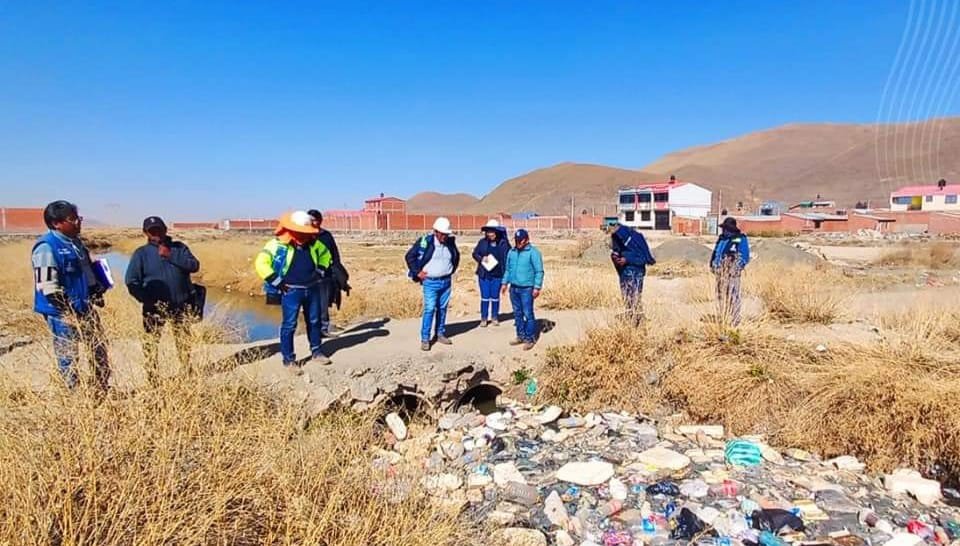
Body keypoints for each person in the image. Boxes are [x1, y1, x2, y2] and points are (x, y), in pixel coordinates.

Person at [31, 200, 110, 390]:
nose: (78, 222)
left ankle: (100, 387)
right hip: (62, 313)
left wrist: (97, 287)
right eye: (73, 219)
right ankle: (73, 395)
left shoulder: (76, 244)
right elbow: (48, 287)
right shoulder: (46, 247)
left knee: (99, 348)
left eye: (78, 218)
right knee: (68, 355)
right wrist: (69, 313)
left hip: (85, 307)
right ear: (57, 223)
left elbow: (86, 272)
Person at [125, 216, 201, 384]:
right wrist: (147, 299)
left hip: (181, 304)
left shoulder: (179, 248)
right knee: (151, 342)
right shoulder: (141, 254)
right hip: (154, 308)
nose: (156, 234)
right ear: (145, 233)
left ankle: (186, 370)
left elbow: (194, 266)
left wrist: (171, 255)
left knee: (183, 341)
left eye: (159, 229)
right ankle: (152, 376)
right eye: (152, 231)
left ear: (165, 229)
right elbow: (131, 281)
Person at [255, 210, 333, 372]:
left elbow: (326, 255)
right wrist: (277, 281)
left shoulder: (314, 244)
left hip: (312, 288)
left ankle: (316, 351)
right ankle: (289, 360)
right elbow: (261, 263)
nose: (304, 235)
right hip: (291, 291)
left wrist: (320, 270)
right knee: (289, 325)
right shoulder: (277, 245)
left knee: (314, 321)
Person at [405, 217, 460, 351]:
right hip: (430, 282)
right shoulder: (426, 242)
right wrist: (417, 272)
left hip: (446, 281)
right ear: (435, 232)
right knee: (429, 309)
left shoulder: (450, 243)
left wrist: (451, 270)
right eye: (442, 234)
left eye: (446, 234)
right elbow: (409, 256)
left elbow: (456, 257)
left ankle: (440, 333)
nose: (444, 236)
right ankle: (425, 338)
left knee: (443, 308)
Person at [501, 229, 544, 350]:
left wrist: (537, 287)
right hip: (514, 288)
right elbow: (508, 270)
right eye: (516, 240)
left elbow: (539, 271)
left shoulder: (533, 253)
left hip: (527, 289)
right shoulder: (512, 252)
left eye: (520, 240)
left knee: (528, 314)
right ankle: (520, 335)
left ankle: (530, 339)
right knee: (517, 314)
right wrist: (504, 283)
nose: (518, 243)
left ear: (526, 240)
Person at [307, 210, 345, 337]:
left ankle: (323, 329)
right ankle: (312, 330)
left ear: (320, 221)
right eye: (310, 220)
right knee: (310, 304)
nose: (313, 222)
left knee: (323, 303)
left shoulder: (326, 235)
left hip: (325, 274)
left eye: (315, 220)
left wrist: (337, 270)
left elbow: (334, 254)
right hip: (307, 275)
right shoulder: (302, 235)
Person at [609, 222, 656, 325]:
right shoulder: (618, 237)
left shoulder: (637, 239)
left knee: (635, 296)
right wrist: (615, 257)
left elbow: (644, 258)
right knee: (626, 296)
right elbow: (616, 250)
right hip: (624, 273)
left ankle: (638, 320)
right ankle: (630, 318)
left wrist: (628, 259)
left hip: (636, 272)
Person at [710, 217, 751, 326]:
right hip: (720, 272)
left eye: (727, 229)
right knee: (720, 295)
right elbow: (716, 253)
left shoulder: (740, 238)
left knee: (733, 295)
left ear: (732, 229)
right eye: (724, 229)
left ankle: (735, 320)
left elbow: (744, 256)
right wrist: (713, 265)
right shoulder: (721, 239)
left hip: (732, 273)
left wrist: (735, 268)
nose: (724, 231)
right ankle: (723, 317)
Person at [472, 219, 510, 327]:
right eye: (488, 232)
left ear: (497, 232)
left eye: (492, 231)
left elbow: (508, 257)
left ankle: (494, 317)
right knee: (485, 296)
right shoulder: (482, 242)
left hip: (497, 275)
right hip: (484, 275)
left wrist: (506, 277)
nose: (490, 234)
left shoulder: (504, 244)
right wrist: (481, 259)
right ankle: (484, 318)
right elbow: (475, 254)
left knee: (495, 297)